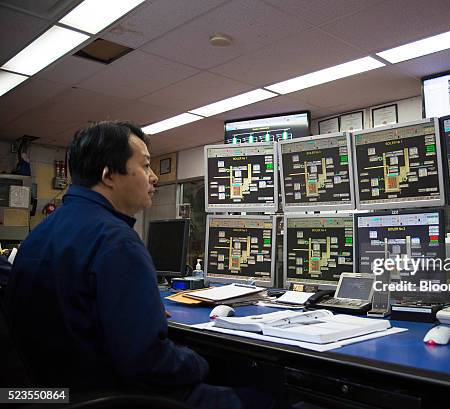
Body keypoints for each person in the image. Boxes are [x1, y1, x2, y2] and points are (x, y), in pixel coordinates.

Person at [6, 121, 273, 409]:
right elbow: (148, 363)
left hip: (53, 395)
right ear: (108, 175)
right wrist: (201, 361)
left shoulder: (41, 233)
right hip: (114, 394)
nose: (154, 177)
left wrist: (136, 313)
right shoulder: (116, 242)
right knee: (265, 397)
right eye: (145, 166)